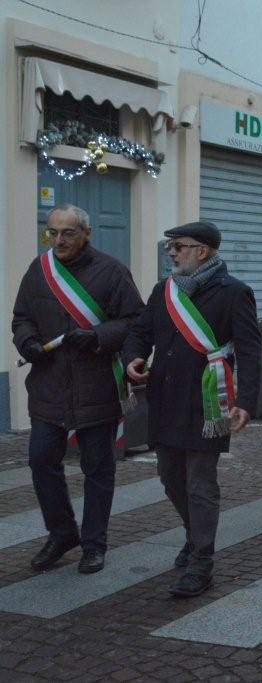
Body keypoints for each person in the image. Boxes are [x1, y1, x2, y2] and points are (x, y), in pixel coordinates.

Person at [123, 221, 260, 597]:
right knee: (171, 480)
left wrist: (245, 402)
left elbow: (250, 350)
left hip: (207, 402)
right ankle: (193, 532)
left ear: (203, 251)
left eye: (178, 246)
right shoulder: (163, 290)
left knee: (200, 484)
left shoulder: (234, 292)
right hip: (166, 401)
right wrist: (133, 357)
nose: (171, 251)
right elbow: (140, 332)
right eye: (170, 245)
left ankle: (202, 562)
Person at [12, 204, 144, 574]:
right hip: (49, 385)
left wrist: (99, 335)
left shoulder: (113, 272)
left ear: (86, 233)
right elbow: (21, 317)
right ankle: (61, 533)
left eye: (67, 233)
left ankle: (94, 544)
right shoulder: (39, 271)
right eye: (51, 233)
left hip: (96, 386)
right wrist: (28, 343)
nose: (58, 240)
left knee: (98, 469)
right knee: (41, 460)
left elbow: (136, 321)